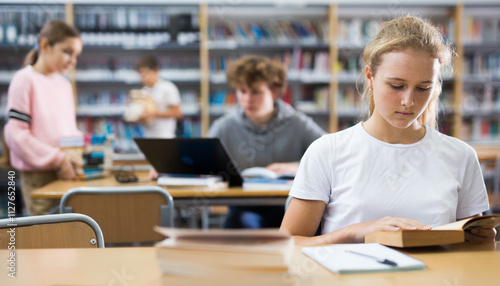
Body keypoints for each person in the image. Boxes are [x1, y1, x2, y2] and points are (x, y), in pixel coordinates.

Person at [280, 15, 496, 245]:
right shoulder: (327, 151)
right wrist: (354, 232)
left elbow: (473, 248)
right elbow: (286, 245)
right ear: (370, 77)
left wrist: (481, 240)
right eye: (396, 86)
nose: (408, 101)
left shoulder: (461, 156)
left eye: (423, 88)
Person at [208, 55, 325, 228]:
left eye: (256, 92)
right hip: (243, 207)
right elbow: (201, 162)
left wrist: (297, 167)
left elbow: (330, 159)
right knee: (238, 225)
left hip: (290, 208)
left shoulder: (297, 122)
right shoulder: (224, 126)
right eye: (242, 91)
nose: (247, 99)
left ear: (274, 91)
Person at [2, 20, 83, 215]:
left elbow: (69, 129)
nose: (73, 61)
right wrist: (57, 158)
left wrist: (84, 149)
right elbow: (16, 135)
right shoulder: (24, 80)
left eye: (76, 55)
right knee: (45, 236)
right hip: (38, 175)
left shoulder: (64, 85)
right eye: (67, 52)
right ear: (45, 46)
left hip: (66, 170)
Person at [135, 55, 183, 138]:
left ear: (155, 71)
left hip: (165, 137)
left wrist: (153, 113)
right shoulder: (143, 91)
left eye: (145, 74)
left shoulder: (168, 87)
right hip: (148, 137)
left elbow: (177, 113)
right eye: (141, 75)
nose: (142, 78)